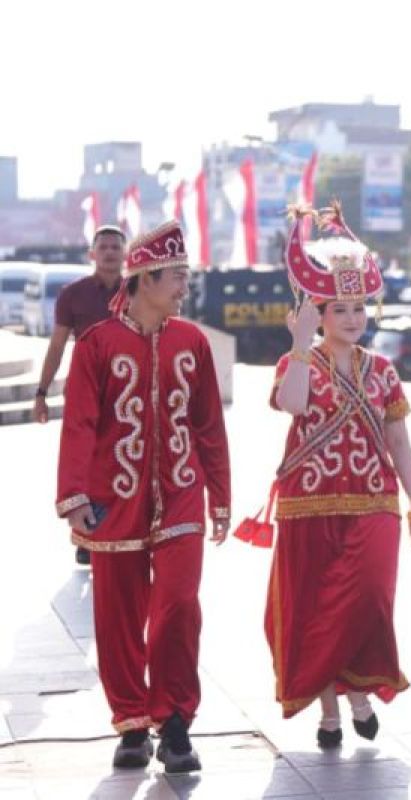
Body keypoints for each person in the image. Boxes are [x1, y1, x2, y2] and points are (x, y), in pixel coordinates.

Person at [55, 221, 231, 773]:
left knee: (179, 604)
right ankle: (132, 721)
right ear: (145, 277)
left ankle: (174, 720)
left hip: (181, 493)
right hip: (113, 496)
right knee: (117, 614)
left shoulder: (192, 341)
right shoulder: (96, 344)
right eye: (177, 276)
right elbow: (79, 423)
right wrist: (74, 493)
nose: (184, 287)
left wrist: (220, 494)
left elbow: (208, 425)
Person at [262, 203, 411, 750]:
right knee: (313, 606)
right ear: (318, 313)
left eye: (359, 307)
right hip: (309, 504)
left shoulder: (383, 370)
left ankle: (361, 691)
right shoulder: (298, 362)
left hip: (375, 502)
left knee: (369, 598)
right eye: (340, 308)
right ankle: (332, 708)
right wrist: (298, 344)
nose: (354, 318)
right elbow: (291, 405)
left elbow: (399, 440)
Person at [37, 224, 126, 566]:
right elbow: (57, 346)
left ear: (124, 254)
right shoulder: (72, 294)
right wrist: (41, 393)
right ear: (92, 254)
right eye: (102, 246)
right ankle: (85, 536)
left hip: (126, 390)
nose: (108, 252)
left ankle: (122, 527)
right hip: (84, 392)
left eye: (115, 247)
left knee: (122, 457)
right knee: (83, 461)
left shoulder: (137, 292)